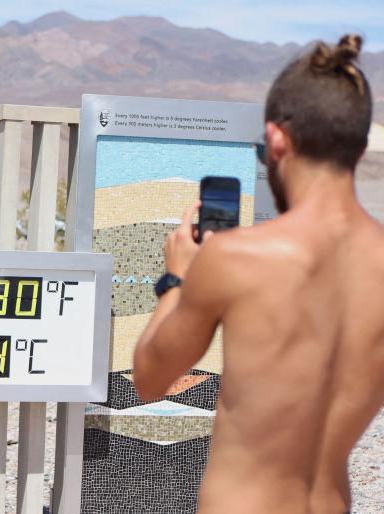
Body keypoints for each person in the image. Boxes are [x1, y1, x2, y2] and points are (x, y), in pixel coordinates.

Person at [133, 35, 384, 514]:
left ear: (276, 140)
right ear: (358, 146)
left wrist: (177, 279)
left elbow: (150, 378)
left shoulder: (236, 257)